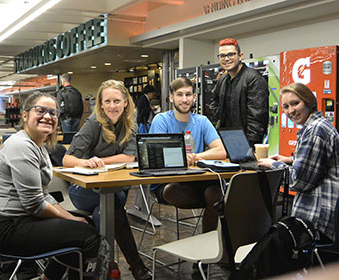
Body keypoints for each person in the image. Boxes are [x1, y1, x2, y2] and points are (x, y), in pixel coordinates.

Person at [0, 92, 100, 280]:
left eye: (53, 113)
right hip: (8, 226)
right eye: (40, 110)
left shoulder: (39, 146)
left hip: (23, 219)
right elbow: (34, 204)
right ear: (25, 115)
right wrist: (71, 219)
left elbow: (44, 195)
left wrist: (71, 217)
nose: (48, 116)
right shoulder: (20, 145)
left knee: (86, 225)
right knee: (87, 235)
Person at [62, 79, 152, 280]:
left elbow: (129, 157)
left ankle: (96, 268)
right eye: (108, 101)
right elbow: (67, 159)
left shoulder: (131, 124)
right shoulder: (93, 124)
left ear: (126, 102)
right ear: (101, 104)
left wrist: (99, 160)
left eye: (117, 101)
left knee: (106, 209)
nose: (112, 106)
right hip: (83, 189)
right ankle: (134, 266)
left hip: (115, 189)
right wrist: (85, 163)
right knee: (112, 207)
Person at [258, 83, 339, 243]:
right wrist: (290, 160)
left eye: (295, 103)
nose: (290, 111)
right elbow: (321, 164)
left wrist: (272, 164)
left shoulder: (314, 131)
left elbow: (299, 181)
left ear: (308, 101)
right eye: (286, 106)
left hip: (318, 217)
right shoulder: (320, 125)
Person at [149, 77, 227, 233]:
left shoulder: (202, 121)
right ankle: (212, 208)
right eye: (179, 95)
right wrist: (182, 157)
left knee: (217, 191)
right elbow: (156, 153)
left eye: (188, 94)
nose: (184, 99)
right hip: (167, 183)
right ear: (171, 98)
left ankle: (209, 244)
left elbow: (221, 151)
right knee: (210, 197)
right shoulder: (161, 120)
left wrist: (196, 157)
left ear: (194, 97)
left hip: (196, 180)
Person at [210, 37, 269, 147]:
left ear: (240, 56)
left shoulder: (253, 79)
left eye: (231, 54)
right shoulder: (223, 80)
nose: (226, 59)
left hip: (246, 142)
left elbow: (257, 118)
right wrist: (220, 115)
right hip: (226, 138)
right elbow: (214, 101)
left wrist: (249, 146)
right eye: (222, 56)